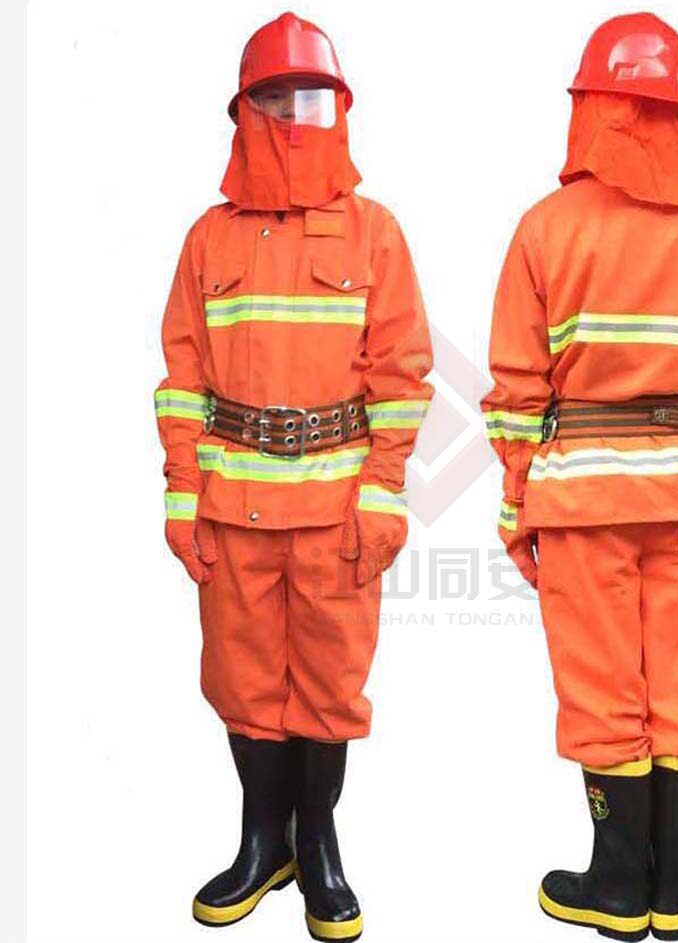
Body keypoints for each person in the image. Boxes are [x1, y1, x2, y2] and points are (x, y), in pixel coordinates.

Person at [481, 13, 678, 941]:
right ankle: (671, 888)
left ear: (593, 107)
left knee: (605, 691)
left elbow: (516, 391)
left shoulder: (546, 230)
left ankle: (616, 883)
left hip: (583, 500)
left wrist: (519, 504)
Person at [154, 13, 433, 941]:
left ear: (339, 110)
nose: (288, 120)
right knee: (242, 682)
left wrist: (383, 496)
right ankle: (260, 840)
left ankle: (318, 842)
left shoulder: (375, 234)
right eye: (271, 100)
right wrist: (182, 494)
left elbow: (402, 378)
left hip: (335, 515)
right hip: (234, 510)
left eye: (306, 100)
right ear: (241, 114)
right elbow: (182, 378)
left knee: (328, 685)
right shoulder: (208, 239)